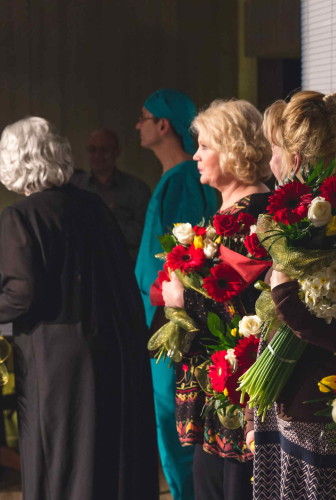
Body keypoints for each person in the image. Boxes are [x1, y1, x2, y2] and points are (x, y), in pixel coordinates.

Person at [0, 117, 158, 500]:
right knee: (102, 458)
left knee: (60, 461)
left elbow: (21, 292)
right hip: (108, 348)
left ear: (15, 160)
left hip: (55, 361)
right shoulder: (93, 205)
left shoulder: (21, 216)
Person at [248, 91, 336, 499]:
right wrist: (255, 411)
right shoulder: (301, 224)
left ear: (294, 159)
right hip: (289, 408)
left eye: (274, 150)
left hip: (324, 418)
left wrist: (285, 293)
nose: (269, 161)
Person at [160, 98, 271, 499]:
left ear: (233, 150)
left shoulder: (250, 220)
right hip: (223, 400)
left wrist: (181, 301)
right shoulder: (235, 215)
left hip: (238, 403)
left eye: (205, 146)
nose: (195, 156)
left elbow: (246, 314)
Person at [135, 89, 218, 500]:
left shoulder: (183, 179)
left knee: (176, 423)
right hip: (160, 318)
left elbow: (185, 259)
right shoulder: (173, 178)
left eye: (144, 117)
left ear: (163, 125)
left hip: (172, 323)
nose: (138, 125)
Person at [71, 128, 151, 259]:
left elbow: (145, 232)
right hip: (84, 262)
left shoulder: (137, 189)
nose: (98, 155)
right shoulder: (75, 186)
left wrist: (106, 222)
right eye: (92, 150)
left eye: (104, 150)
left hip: (123, 262)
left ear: (117, 152)